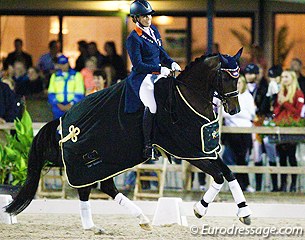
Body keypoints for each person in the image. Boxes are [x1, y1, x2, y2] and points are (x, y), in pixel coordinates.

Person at [126, 0, 181, 158]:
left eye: (149, 15)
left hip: (158, 74)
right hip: (142, 77)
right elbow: (138, 65)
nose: (148, 18)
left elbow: (160, 52)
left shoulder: (154, 30)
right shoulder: (133, 38)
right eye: (144, 16)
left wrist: (171, 62)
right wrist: (159, 69)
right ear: (136, 18)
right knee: (152, 105)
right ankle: (148, 145)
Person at [222, 75, 256, 192]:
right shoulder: (229, 96)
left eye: (240, 82)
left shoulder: (247, 97)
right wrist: (238, 113)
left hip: (244, 131)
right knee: (229, 158)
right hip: (231, 131)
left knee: (242, 158)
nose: (238, 85)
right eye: (236, 83)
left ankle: (245, 184)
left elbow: (251, 114)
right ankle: (237, 184)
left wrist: (235, 113)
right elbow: (225, 113)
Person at [273, 70, 304, 192]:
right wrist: (280, 102)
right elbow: (275, 112)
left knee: (291, 157)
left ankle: (293, 185)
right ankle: (283, 184)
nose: (283, 79)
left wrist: (285, 102)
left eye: (286, 77)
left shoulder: (298, 93)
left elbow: (298, 112)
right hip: (280, 127)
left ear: (292, 78)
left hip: (292, 128)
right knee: (281, 158)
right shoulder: (280, 93)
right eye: (282, 77)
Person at [244, 63, 270, 191]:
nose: (249, 76)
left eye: (252, 73)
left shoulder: (262, 88)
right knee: (244, 155)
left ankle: (259, 185)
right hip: (245, 124)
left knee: (257, 154)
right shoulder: (241, 89)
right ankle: (245, 184)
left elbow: (264, 106)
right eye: (247, 73)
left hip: (257, 123)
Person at [48, 55, 85, 119]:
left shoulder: (76, 75)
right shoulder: (55, 76)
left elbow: (80, 92)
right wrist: (58, 104)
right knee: (57, 126)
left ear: (68, 63)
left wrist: (71, 104)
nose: (63, 66)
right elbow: (51, 93)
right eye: (61, 64)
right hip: (58, 107)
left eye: (65, 63)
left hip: (74, 106)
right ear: (58, 65)